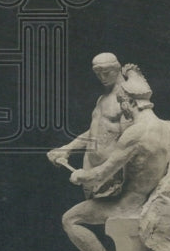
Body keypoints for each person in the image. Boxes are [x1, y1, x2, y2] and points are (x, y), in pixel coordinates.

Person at [63, 66, 170, 251]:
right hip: (148, 197)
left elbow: (100, 174)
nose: (122, 109)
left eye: (122, 103)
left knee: (70, 219)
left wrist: (80, 176)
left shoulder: (135, 133)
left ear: (129, 102)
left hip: (128, 206)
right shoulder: (169, 128)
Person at [47, 52, 128, 199]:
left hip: (111, 175)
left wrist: (104, 171)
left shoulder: (127, 100)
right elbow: (93, 132)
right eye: (98, 74)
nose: (102, 78)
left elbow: (131, 142)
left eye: (106, 73)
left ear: (118, 69)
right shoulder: (102, 99)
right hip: (90, 170)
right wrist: (68, 148)